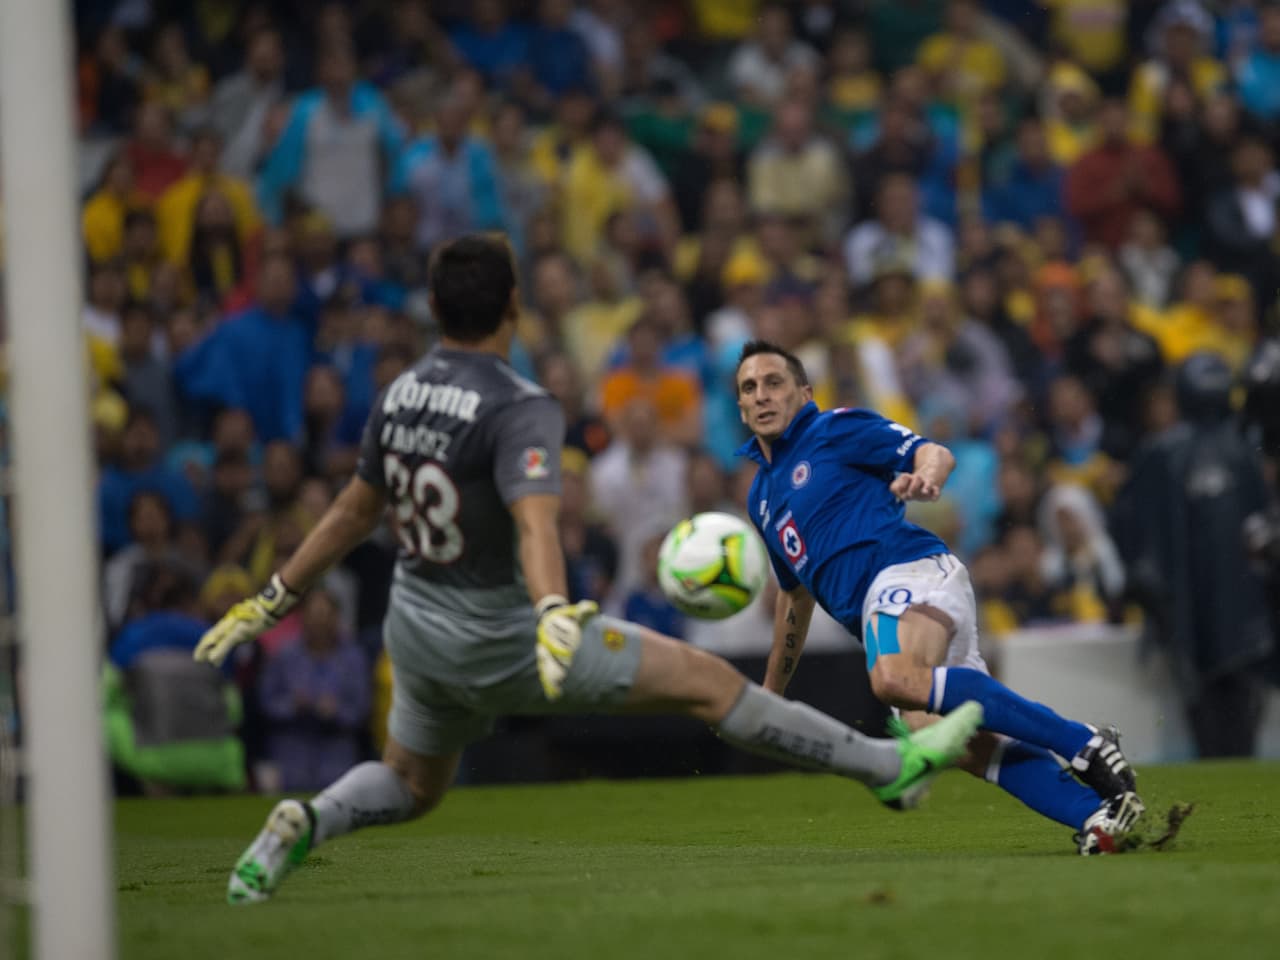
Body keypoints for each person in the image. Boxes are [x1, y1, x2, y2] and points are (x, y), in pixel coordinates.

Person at [195, 236, 983, 904]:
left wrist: (275, 595)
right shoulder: (518, 403)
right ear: (512, 308)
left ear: (435, 312)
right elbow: (538, 521)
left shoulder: (400, 393)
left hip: (417, 630)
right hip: (509, 633)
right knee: (714, 685)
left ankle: (307, 819)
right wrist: (550, 613)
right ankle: (889, 768)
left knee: (408, 782)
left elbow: (351, 511)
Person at [732, 338, 1143, 855]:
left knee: (892, 680)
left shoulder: (834, 429)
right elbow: (794, 598)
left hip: (911, 572)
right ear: (742, 408)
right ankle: (1100, 819)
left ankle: (1080, 741)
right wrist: (769, 694)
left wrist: (926, 477)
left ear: (803, 392)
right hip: (886, 611)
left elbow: (933, 452)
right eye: (750, 387)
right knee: (954, 741)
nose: (762, 395)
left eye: (774, 382)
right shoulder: (762, 498)